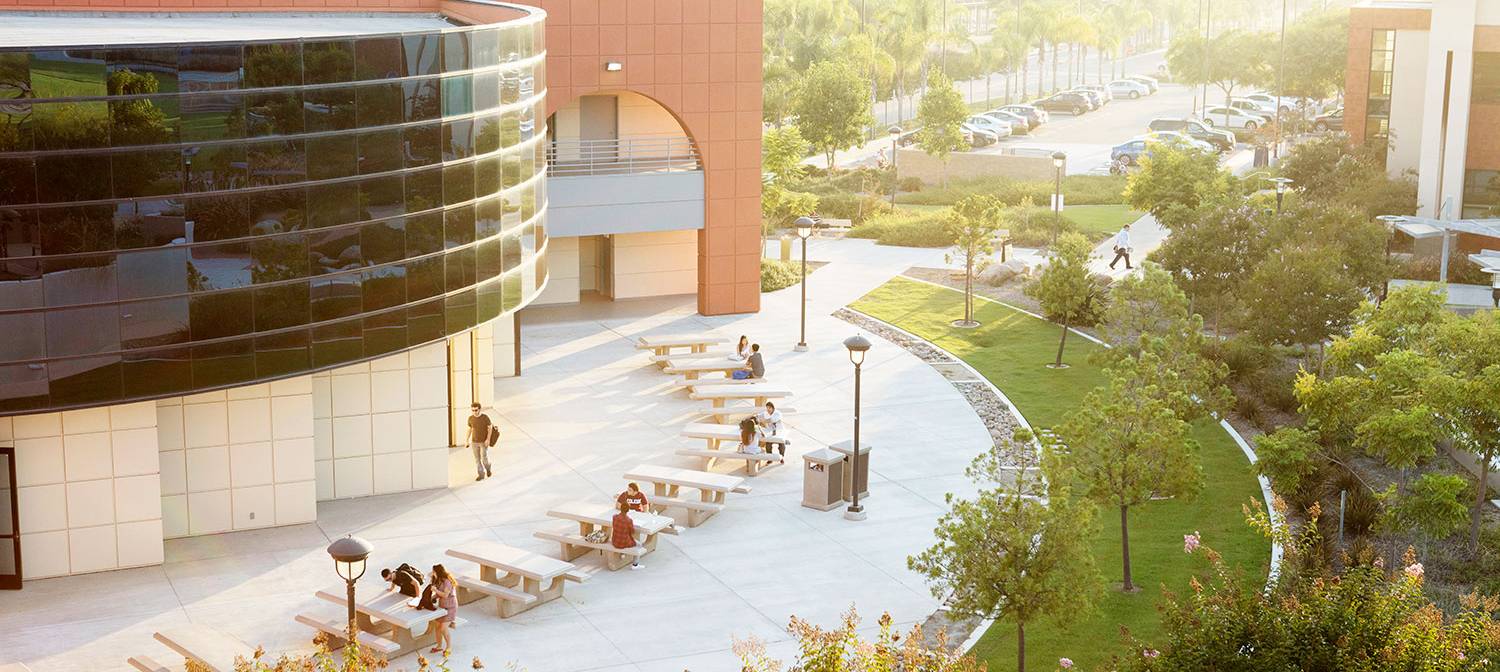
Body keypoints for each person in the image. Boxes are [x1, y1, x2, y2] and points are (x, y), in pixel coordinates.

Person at [429, 564, 457, 653]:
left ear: (438, 572)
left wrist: (435, 590)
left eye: (434, 572)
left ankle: (448, 647)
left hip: (450, 607)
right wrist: (432, 597)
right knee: (437, 626)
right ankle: (439, 646)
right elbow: (439, 594)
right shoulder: (439, 581)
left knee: (443, 628)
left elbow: (445, 595)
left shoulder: (447, 582)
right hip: (442, 607)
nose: (433, 573)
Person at [611, 502, 644, 570]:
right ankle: (635, 565)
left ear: (620, 508)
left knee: (624, 536)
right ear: (628, 510)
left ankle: (623, 554)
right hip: (624, 543)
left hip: (614, 541)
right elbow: (632, 532)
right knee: (639, 544)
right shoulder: (629, 520)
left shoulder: (614, 517)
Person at [465, 403, 493, 481]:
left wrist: (488, 439)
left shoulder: (485, 418)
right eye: (473, 410)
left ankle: (488, 468)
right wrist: (467, 440)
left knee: (484, 459)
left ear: (480, 409)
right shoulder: (470, 418)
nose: (474, 412)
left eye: (476, 410)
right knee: (477, 459)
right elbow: (469, 429)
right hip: (474, 442)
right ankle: (481, 474)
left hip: (483, 442)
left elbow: (490, 428)